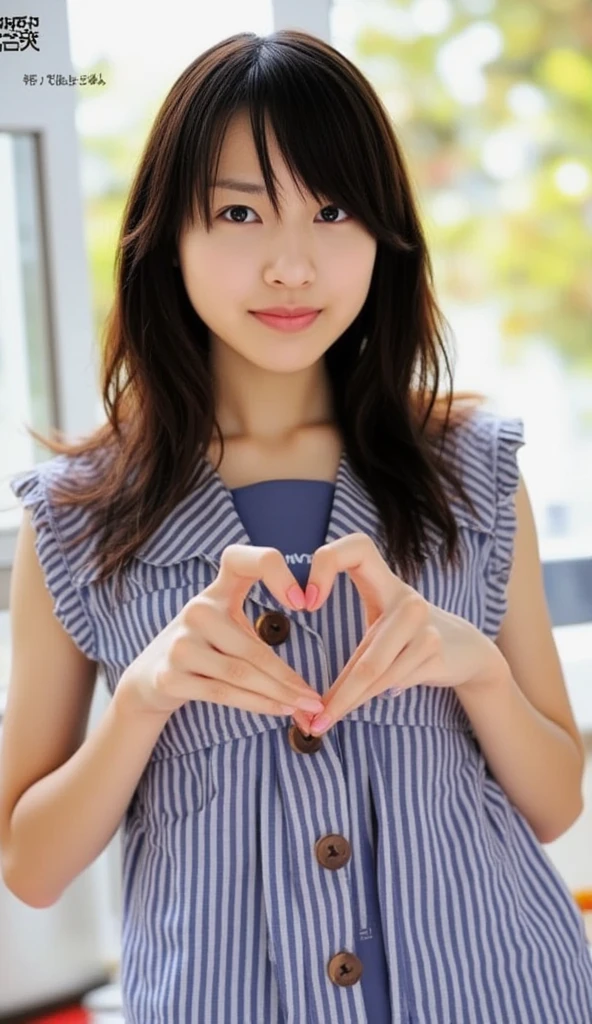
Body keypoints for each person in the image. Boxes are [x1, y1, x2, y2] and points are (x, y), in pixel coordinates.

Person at [1, 27, 591, 1024]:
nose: (291, 264)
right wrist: (144, 695)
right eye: (239, 211)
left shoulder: (473, 470)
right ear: (167, 237)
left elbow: (556, 799)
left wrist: (475, 667)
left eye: (332, 210)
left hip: (498, 992)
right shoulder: (76, 511)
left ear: (384, 236)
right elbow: (30, 864)